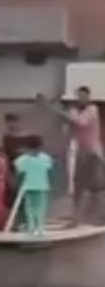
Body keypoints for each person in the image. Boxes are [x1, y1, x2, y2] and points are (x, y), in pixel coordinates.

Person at [45, 86, 103, 224]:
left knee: (97, 185)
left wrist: (58, 111)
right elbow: (69, 128)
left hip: (93, 152)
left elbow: (81, 122)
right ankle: (76, 215)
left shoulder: (92, 109)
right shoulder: (73, 111)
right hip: (80, 151)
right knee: (78, 185)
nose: (81, 99)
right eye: (79, 96)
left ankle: (99, 215)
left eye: (84, 96)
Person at [14, 135, 53, 235]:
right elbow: (49, 171)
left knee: (33, 209)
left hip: (33, 186)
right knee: (37, 209)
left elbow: (19, 172)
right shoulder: (45, 158)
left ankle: (35, 228)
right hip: (37, 187)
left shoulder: (23, 159)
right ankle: (36, 228)